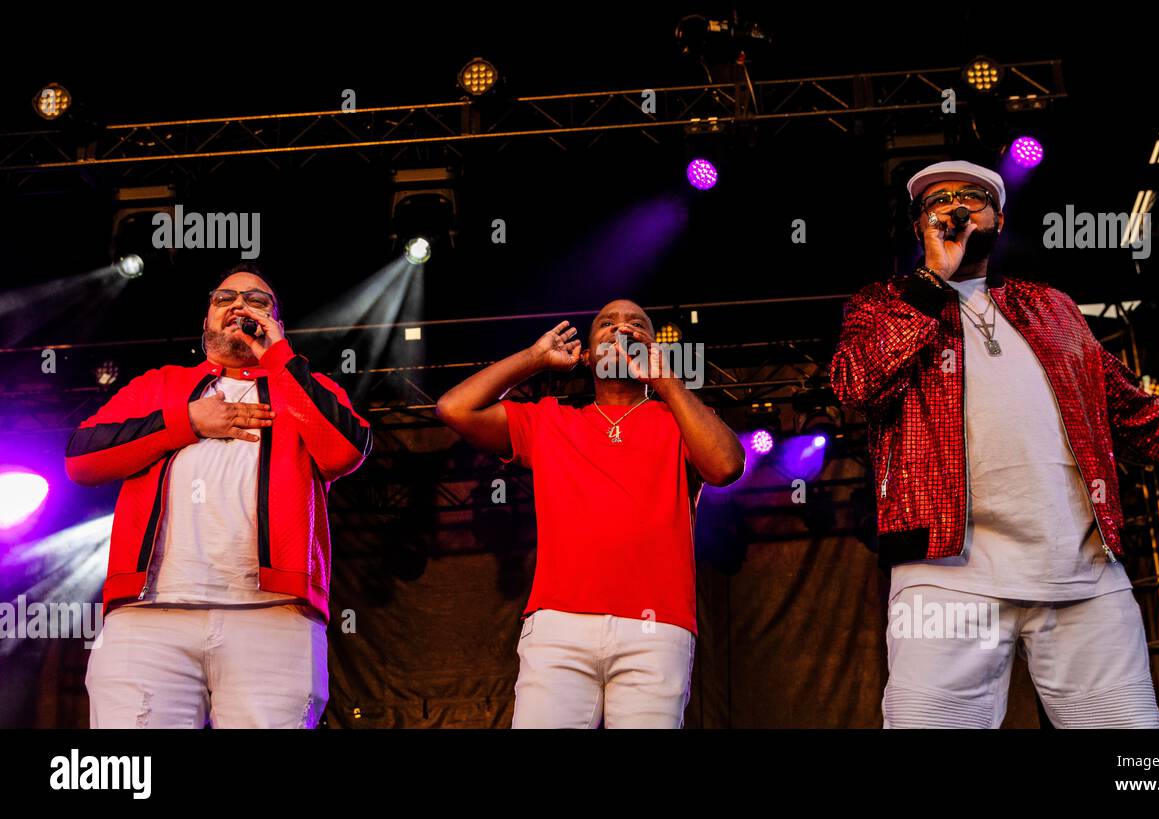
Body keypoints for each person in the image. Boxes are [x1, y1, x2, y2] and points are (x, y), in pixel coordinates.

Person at [830, 160, 1159, 728]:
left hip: (1082, 570)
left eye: (972, 196)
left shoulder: (1051, 307)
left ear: (999, 217)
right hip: (944, 575)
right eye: (938, 200)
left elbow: (1133, 412)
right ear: (919, 226)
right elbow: (856, 384)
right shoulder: (884, 304)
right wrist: (935, 283)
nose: (955, 206)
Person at [67, 262, 371, 728]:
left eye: (257, 301)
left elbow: (345, 451)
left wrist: (280, 359)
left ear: (276, 324)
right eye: (224, 299)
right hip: (147, 618)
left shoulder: (305, 386)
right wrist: (186, 422)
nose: (239, 306)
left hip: (273, 615)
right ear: (206, 321)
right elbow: (82, 459)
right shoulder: (160, 385)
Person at [436, 299, 745, 728]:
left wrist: (667, 382)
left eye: (637, 325)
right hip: (559, 626)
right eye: (607, 324)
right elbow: (454, 408)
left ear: (654, 349)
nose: (622, 329)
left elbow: (727, 466)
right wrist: (534, 359)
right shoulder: (551, 421)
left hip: (656, 628)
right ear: (586, 354)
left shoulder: (680, 419)